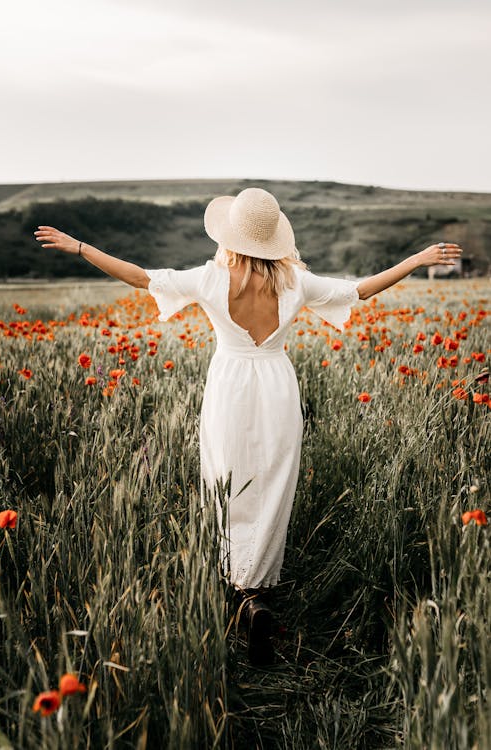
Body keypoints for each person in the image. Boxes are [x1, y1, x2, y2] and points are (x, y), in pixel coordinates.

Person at [34, 186, 462, 666]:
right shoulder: (296, 282)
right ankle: (257, 590)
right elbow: (359, 289)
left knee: (226, 479)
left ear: (231, 235)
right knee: (273, 484)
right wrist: (416, 258)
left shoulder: (212, 279)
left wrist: (80, 247)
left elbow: (141, 277)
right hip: (278, 386)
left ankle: (239, 592)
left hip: (229, 387)